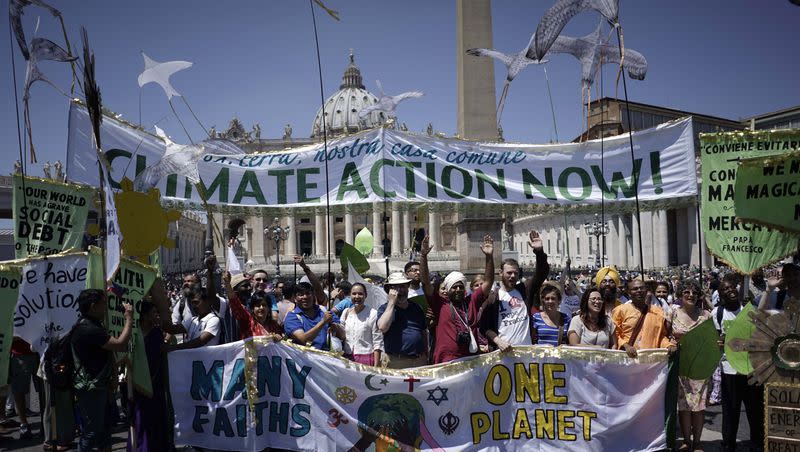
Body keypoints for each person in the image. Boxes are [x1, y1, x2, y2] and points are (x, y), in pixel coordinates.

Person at [71, 289, 134, 452]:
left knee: (105, 431)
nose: (106, 307)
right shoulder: (88, 329)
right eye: (103, 304)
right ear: (93, 306)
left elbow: (107, 353)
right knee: (92, 432)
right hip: (91, 388)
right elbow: (119, 343)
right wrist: (129, 319)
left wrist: (113, 374)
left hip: (101, 385)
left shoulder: (94, 324)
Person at [420, 235, 493, 364]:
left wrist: (489, 257)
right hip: (446, 361)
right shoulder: (440, 304)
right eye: (454, 287)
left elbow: (488, 282)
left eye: (460, 286)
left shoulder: (471, 302)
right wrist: (423, 257)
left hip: (470, 360)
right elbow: (426, 282)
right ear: (448, 290)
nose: (458, 289)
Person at [712, 278, 764, 452]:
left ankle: (757, 443)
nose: (730, 290)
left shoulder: (749, 311)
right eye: (725, 289)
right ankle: (728, 444)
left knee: (755, 410)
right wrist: (717, 342)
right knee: (730, 410)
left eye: (732, 287)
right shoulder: (717, 313)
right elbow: (713, 339)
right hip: (729, 369)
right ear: (720, 294)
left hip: (751, 369)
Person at [479, 230, 550, 352]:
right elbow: (483, 326)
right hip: (502, 354)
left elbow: (541, 273)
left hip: (525, 352)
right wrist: (497, 341)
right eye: (509, 273)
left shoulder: (525, 290)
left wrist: (539, 252)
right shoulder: (493, 298)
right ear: (500, 273)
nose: (512, 276)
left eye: (515, 273)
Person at [670, 280, 711, 452]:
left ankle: (698, 441)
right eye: (686, 292)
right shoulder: (672, 314)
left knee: (698, 407)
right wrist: (671, 343)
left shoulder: (706, 315)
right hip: (680, 365)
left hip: (700, 366)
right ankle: (687, 440)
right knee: (684, 406)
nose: (690, 295)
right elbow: (666, 335)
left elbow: (710, 340)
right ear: (680, 295)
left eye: (694, 292)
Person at [129, 302, 169, 452]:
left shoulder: (157, 333)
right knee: (139, 418)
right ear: (144, 316)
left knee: (156, 418)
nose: (156, 316)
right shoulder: (133, 334)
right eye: (153, 312)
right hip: (137, 383)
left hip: (155, 383)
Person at [612, 279, 676, 358]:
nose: (639, 291)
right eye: (635, 289)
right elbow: (615, 335)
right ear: (629, 293)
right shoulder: (620, 310)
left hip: (649, 360)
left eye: (641, 288)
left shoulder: (657, 311)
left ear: (646, 291)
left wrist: (668, 345)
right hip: (627, 359)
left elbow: (660, 336)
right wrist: (626, 346)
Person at [377, 273, 428, 368]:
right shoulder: (384, 309)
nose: (400, 291)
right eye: (395, 288)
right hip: (396, 361)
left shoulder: (416, 307)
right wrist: (392, 302)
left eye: (403, 286)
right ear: (389, 290)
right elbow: (383, 327)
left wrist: (426, 354)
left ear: (408, 287)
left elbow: (423, 332)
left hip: (419, 360)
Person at [223, 272, 283, 340]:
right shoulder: (247, 321)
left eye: (264, 305)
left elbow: (282, 342)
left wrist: (278, 338)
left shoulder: (273, 326)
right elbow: (234, 302)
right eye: (258, 305)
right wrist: (227, 284)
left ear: (269, 308)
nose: (261, 308)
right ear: (252, 309)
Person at [341, 283, 383, 366]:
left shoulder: (373, 313)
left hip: (366, 359)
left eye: (360, 294)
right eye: (354, 294)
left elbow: (377, 341)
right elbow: (341, 334)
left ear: (365, 296)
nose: (357, 297)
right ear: (350, 295)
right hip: (346, 358)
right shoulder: (346, 312)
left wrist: (376, 365)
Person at [8, 338, 42, 439]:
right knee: (19, 391)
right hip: (19, 353)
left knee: (43, 390)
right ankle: (24, 424)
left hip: (39, 351)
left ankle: (46, 423)